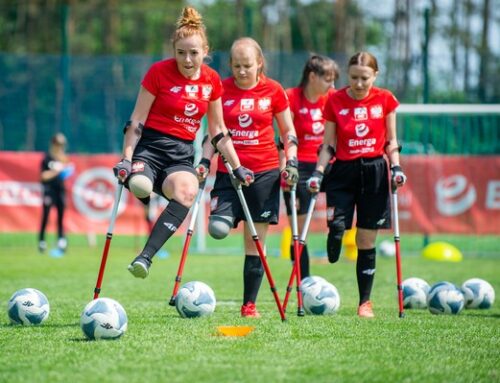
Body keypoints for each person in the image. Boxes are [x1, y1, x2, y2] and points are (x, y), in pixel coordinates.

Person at [113, 6, 252, 279]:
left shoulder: (212, 80)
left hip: (181, 153)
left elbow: (218, 129)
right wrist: (127, 159)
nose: (187, 59)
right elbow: (136, 120)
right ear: (173, 50)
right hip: (150, 148)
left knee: (187, 193)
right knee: (140, 184)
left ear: (206, 51)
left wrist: (238, 167)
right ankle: (141, 182)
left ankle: (145, 258)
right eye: (181, 53)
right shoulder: (158, 72)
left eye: (194, 53)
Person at [197, 37, 299, 318]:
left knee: (255, 242)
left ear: (259, 64)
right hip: (230, 171)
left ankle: (249, 305)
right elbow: (213, 132)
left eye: (247, 65)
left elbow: (288, 131)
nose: (242, 71)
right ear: (230, 64)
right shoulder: (220, 90)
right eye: (237, 65)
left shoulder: (274, 91)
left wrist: (290, 161)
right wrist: (205, 161)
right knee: (218, 228)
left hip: (264, 174)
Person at [307, 52, 407, 318]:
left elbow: (391, 141)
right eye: (353, 78)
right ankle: (334, 234)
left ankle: (365, 302)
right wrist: (318, 171)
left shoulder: (385, 100)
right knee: (338, 226)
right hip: (342, 171)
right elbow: (328, 143)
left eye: (364, 78)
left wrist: (396, 166)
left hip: (374, 171)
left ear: (375, 75)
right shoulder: (335, 100)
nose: (359, 84)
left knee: (365, 238)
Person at [282, 54, 339, 279]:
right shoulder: (291, 97)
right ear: (312, 76)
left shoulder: (333, 98)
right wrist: (284, 169)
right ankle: (304, 281)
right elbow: (284, 137)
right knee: (300, 230)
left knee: (339, 215)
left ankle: (336, 236)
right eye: (328, 79)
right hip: (300, 166)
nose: (332, 85)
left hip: (328, 164)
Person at [38, 133, 73, 253]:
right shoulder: (47, 158)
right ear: (53, 144)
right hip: (49, 190)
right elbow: (43, 176)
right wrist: (56, 171)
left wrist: (65, 169)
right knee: (46, 215)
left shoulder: (63, 158)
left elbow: (67, 171)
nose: (61, 146)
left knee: (61, 216)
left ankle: (61, 240)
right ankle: (41, 241)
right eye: (59, 144)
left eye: (63, 144)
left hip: (60, 190)